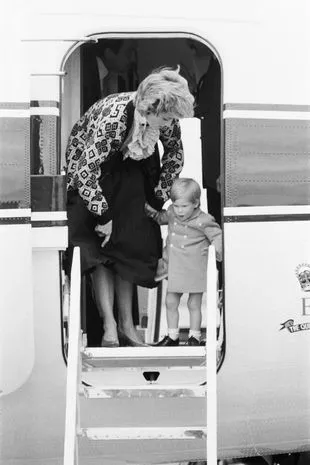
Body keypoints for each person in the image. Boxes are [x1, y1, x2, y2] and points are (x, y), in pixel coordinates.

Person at [65, 67, 195, 347]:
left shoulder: (166, 116)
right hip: (93, 174)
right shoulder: (113, 118)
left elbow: (175, 156)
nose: (170, 123)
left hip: (135, 170)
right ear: (151, 108)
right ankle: (110, 326)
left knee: (131, 247)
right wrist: (104, 214)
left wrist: (157, 198)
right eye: (167, 118)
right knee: (98, 250)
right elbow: (87, 169)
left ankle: (128, 325)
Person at [145, 177, 222, 346]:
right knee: (170, 301)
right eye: (176, 205)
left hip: (195, 267)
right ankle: (172, 336)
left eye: (184, 206)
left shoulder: (204, 220)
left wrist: (217, 254)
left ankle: (195, 336)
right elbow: (160, 218)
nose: (179, 210)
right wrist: (149, 211)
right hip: (175, 266)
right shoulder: (172, 213)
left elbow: (217, 236)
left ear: (196, 203)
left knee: (194, 303)